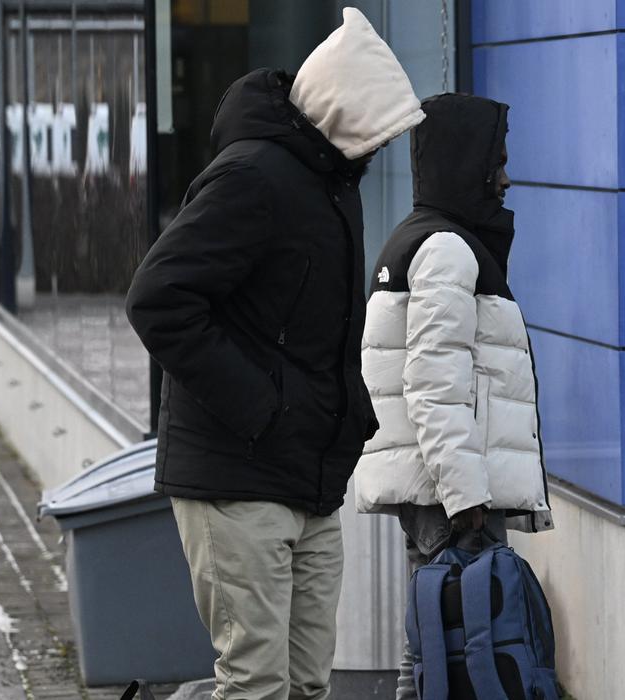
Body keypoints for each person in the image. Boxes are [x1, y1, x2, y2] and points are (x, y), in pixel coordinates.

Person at [125, 9, 423, 698]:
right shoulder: (253, 178)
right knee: (256, 682)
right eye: (375, 131)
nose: (379, 151)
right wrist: (262, 408)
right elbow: (157, 299)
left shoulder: (328, 184)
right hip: (237, 476)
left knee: (305, 685)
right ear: (345, 116)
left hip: (307, 479)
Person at [352, 92, 553, 700]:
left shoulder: (421, 238)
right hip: (453, 494)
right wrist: (466, 499)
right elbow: (434, 384)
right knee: (459, 654)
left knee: (435, 648)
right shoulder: (446, 250)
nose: (505, 177)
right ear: (469, 162)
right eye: (497, 161)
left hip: (440, 483)